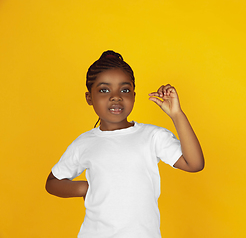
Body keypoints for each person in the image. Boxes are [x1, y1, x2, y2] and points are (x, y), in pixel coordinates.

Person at [45, 50, 204, 238]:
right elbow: (52, 183)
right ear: (89, 98)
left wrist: (177, 114)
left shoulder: (152, 136)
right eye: (104, 90)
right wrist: (85, 188)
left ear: (134, 95)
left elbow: (194, 164)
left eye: (125, 90)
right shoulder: (84, 143)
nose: (116, 96)